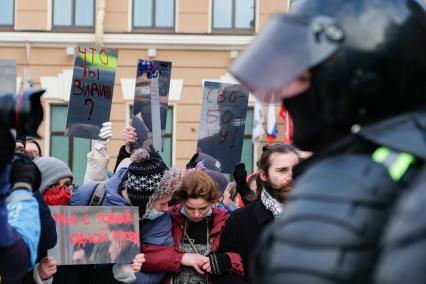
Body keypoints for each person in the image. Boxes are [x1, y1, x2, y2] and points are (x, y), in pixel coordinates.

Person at [229, 0, 426, 283]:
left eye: (303, 76)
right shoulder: (346, 164)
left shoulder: (350, 175)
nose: (287, 90)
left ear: (355, 81)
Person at [213, 144, 300, 283]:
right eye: (282, 170)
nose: (290, 177)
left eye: (295, 170)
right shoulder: (240, 219)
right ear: (264, 175)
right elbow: (225, 272)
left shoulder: (317, 216)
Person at [140, 170, 244, 284]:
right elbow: (143, 256)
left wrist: (227, 260)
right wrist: (181, 257)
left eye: (202, 208)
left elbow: (247, 259)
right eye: (190, 208)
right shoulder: (166, 218)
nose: (196, 214)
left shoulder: (225, 221)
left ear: (212, 202)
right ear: (181, 201)